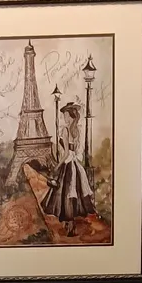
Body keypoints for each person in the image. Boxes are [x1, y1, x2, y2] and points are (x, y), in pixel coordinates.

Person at [44, 101, 96, 235]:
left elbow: (66, 153)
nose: (64, 118)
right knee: (73, 195)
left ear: (71, 116)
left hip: (67, 164)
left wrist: (57, 165)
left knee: (65, 195)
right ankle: (70, 225)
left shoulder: (65, 130)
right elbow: (75, 150)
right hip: (75, 164)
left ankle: (70, 225)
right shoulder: (76, 130)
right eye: (64, 115)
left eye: (66, 115)